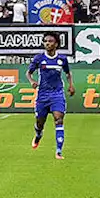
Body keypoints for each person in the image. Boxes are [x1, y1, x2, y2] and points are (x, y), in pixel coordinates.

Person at [27, 31, 75, 159]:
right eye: (46, 41)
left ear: (56, 44)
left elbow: (68, 73)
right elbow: (29, 73)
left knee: (59, 119)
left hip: (57, 94)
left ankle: (59, 151)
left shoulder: (62, 59)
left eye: (50, 41)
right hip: (42, 94)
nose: (47, 43)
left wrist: (71, 85)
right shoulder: (39, 58)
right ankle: (38, 135)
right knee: (40, 122)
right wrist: (32, 81)